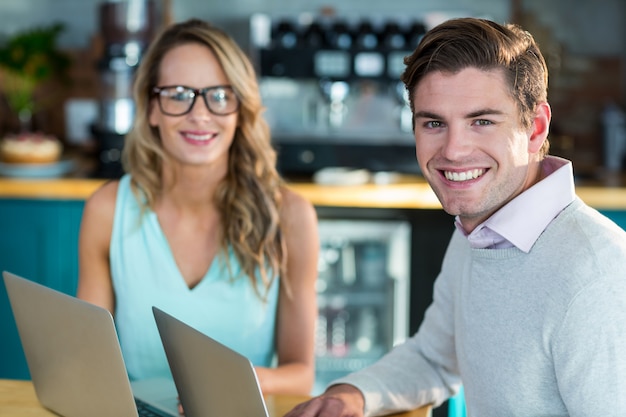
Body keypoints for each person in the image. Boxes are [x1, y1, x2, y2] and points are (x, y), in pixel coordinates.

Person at [284, 17, 626, 417]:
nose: (453, 151)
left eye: (481, 121)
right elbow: (434, 357)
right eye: (434, 123)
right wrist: (351, 395)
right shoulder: (480, 229)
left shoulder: (598, 276)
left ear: (535, 128)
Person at [77, 18, 319, 396]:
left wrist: (230, 384)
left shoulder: (290, 217)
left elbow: (300, 373)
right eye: (177, 94)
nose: (200, 114)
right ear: (151, 109)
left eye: (219, 96)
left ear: (240, 110)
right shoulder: (107, 210)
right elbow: (90, 360)